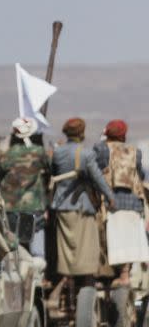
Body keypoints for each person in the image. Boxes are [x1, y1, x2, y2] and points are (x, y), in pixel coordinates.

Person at [50, 117, 115, 283]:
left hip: (62, 206)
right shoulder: (86, 154)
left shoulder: (57, 152)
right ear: (81, 132)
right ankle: (84, 284)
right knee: (86, 248)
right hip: (81, 206)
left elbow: (53, 174)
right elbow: (97, 178)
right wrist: (110, 196)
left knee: (66, 250)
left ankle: (67, 280)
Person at [93, 119, 149, 286]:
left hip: (109, 202)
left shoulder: (102, 149)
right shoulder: (135, 151)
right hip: (133, 203)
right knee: (128, 240)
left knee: (106, 238)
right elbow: (140, 175)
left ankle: (103, 275)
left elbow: (93, 171)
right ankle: (125, 275)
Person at [0, 117, 50, 258]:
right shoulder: (39, 152)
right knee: (35, 238)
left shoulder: (6, 154)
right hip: (33, 204)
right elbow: (49, 170)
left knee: (13, 242)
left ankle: (14, 273)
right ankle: (37, 274)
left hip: (10, 205)